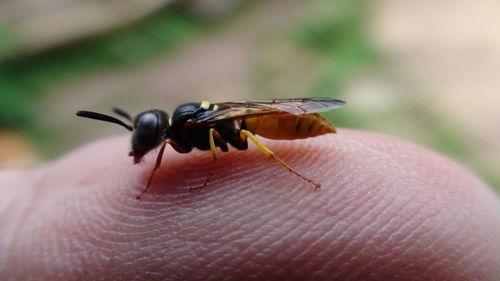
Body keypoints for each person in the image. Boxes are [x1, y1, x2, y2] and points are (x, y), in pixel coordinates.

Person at [1, 130, 499, 280]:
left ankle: (287, 168)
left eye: (147, 139)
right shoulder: (175, 136)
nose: (148, 146)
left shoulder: (199, 128)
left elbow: (223, 136)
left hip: (280, 127)